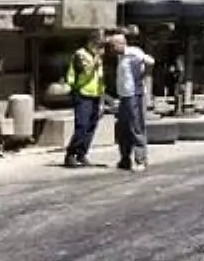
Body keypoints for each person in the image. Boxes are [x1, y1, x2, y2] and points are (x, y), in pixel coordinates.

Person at [106, 28, 153, 172]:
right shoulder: (120, 56)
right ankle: (124, 158)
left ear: (121, 44)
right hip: (124, 96)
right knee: (123, 128)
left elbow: (150, 61)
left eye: (114, 45)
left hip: (134, 95)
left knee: (136, 127)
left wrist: (143, 76)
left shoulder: (133, 53)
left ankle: (141, 159)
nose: (112, 49)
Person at [63, 29, 105, 168]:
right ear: (90, 43)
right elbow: (85, 75)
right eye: (98, 45)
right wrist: (96, 60)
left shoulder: (96, 56)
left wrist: (102, 97)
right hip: (82, 93)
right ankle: (70, 154)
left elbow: (100, 78)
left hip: (95, 94)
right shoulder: (81, 55)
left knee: (91, 126)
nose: (100, 48)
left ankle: (82, 153)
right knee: (82, 125)